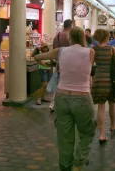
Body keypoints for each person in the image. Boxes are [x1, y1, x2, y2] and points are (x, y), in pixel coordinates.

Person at [35, 27, 96, 171]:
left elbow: (39, 58)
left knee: (64, 136)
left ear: (70, 38)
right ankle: (78, 162)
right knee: (87, 132)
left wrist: (39, 55)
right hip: (82, 97)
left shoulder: (60, 51)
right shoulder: (90, 52)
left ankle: (65, 166)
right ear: (83, 37)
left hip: (61, 97)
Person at [91, 29, 115, 144]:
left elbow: (89, 65)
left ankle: (101, 135)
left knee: (101, 107)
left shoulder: (93, 50)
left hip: (98, 81)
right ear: (107, 38)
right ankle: (113, 125)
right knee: (112, 104)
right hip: (110, 81)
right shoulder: (111, 49)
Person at [49, 19, 73, 111]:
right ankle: (67, 104)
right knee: (70, 84)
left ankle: (53, 104)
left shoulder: (57, 36)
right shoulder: (72, 37)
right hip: (71, 63)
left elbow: (55, 51)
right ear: (71, 26)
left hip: (60, 63)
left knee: (59, 83)